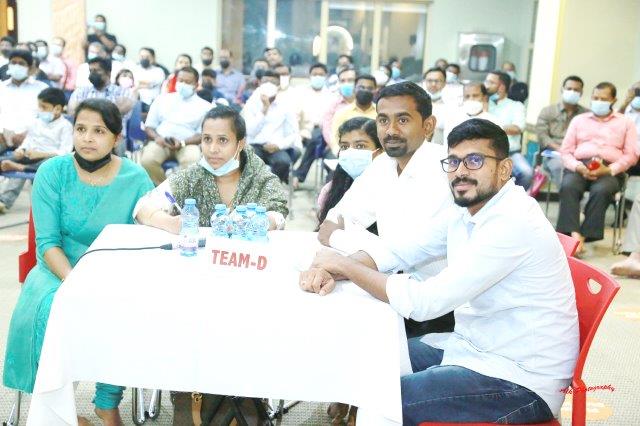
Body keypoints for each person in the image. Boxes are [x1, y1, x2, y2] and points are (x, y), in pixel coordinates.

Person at [303, 118, 579, 425]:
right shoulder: (465, 210)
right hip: (472, 348)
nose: (461, 171)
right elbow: (399, 250)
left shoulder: (512, 222)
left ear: (504, 169)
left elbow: (426, 302)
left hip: (521, 378)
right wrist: (335, 269)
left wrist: (345, 265)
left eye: (475, 161)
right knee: (375, 356)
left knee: (383, 399)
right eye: (454, 162)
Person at [3, 98, 154, 426]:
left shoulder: (136, 178)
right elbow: (47, 243)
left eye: (99, 131)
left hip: (114, 271)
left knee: (126, 306)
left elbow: (147, 236)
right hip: (57, 269)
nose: (87, 138)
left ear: (116, 138)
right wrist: (75, 282)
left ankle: (107, 403)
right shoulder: (52, 172)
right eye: (81, 129)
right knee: (53, 308)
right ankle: (62, 412)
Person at [317, 81, 455, 338]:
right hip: (388, 289)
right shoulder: (383, 166)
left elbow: (407, 250)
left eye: (402, 120)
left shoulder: (447, 171)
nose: (391, 130)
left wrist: (340, 238)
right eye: (383, 120)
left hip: (436, 310)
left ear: (428, 125)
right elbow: (332, 221)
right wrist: (351, 242)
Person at [134, 105, 287, 231]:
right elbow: (142, 208)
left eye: (222, 140)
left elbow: (278, 214)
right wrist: (170, 223)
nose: (213, 149)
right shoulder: (191, 177)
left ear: (240, 144)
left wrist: (265, 221)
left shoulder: (261, 178)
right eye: (207, 139)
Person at [557, 82, 638, 254]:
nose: (598, 102)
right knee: (569, 186)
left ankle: (583, 238)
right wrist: (578, 166)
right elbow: (566, 151)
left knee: (602, 190)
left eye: (603, 99)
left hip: (610, 169)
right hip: (580, 165)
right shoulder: (579, 120)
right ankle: (574, 234)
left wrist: (609, 169)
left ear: (613, 100)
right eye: (595, 98)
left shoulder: (625, 123)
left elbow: (631, 155)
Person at [0, 87, 72, 212]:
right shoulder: (36, 122)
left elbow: (65, 153)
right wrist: (21, 150)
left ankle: (18, 171)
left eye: (44, 107)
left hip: (47, 159)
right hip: (29, 156)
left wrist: (40, 154)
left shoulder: (65, 126)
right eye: (39, 106)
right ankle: (17, 167)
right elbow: (28, 141)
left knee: (49, 164)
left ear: (57, 109)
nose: (40, 110)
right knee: (5, 159)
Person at [140, 66, 211, 184]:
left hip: (188, 144)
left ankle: (180, 191)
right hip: (161, 142)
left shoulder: (205, 107)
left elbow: (202, 134)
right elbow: (149, 127)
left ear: (196, 85)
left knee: (193, 162)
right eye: (180, 80)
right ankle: (164, 189)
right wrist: (157, 138)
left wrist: (182, 143)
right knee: (147, 160)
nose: (183, 84)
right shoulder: (162, 99)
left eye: (187, 82)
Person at [318, 117, 382, 226]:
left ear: (379, 151)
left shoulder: (391, 190)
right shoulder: (330, 191)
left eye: (360, 146)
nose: (351, 151)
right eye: (344, 146)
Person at [68, 57, 136, 156]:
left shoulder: (123, 92)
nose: (93, 73)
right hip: (85, 136)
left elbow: (116, 112)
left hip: (113, 137)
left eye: (97, 70)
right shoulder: (81, 91)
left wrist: (87, 112)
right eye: (91, 70)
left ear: (108, 73)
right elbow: (72, 111)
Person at [243, 70, 301, 183]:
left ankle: (272, 188)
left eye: (272, 82)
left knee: (284, 162)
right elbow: (250, 131)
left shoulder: (285, 105)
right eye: (265, 82)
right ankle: (256, 189)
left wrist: (278, 145)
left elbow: (293, 133)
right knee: (250, 161)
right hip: (255, 145)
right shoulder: (251, 104)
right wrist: (264, 110)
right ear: (260, 84)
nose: (268, 85)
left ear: (278, 86)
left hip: (276, 147)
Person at [535, 75, 588, 188]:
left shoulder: (586, 114)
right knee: (560, 167)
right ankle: (567, 195)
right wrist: (560, 149)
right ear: (562, 89)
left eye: (576, 90)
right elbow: (542, 136)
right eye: (569, 89)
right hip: (553, 155)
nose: (572, 92)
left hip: (577, 154)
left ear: (581, 93)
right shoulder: (548, 111)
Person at [484, 70, 532, 189]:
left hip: (510, 153)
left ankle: (514, 197)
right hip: (484, 152)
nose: (486, 85)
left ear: (501, 87)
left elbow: (517, 128)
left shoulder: (516, 106)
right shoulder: (483, 104)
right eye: (486, 81)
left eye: (490, 82)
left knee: (527, 173)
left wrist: (489, 128)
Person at [292, 63, 335, 187]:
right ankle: (331, 180)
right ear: (310, 76)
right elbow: (295, 117)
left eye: (321, 74)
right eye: (315, 74)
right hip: (304, 133)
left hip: (327, 134)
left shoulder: (332, 96)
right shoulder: (301, 94)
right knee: (316, 139)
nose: (318, 77)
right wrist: (297, 133)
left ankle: (299, 175)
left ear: (326, 76)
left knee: (317, 138)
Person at [0, 50, 49, 152]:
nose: (16, 66)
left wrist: (28, 134)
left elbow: (46, 117)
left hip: (33, 140)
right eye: (13, 63)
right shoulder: (2, 88)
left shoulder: (42, 88)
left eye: (21, 63)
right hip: (2, 139)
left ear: (30, 67)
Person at [329, 74, 377, 154]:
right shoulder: (342, 113)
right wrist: (341, 154)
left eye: (369, 88)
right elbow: (335, 139)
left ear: (375, 91)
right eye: (361, 87)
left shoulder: (381, 113)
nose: (365, 90)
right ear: (354, 89)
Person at [322, 67, 356, 152]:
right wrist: (335, 147)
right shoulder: (332, 104)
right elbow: (327, 129)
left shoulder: (364, 103)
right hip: (337, 147)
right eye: (342, 81)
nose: (346, 84)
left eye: (350, 80)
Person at [133, 47, 166, 111]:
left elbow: (152, 83)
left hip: (152, 103)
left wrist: (140, 85)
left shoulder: (159, 71)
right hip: (136, 102)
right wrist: (147, 84)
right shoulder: (134, 68)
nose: (145, 59)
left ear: (153, 58)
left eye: (147, 57)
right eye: (142, 56)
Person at [421, 67, 447, 144]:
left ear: (444, 83)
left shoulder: (452, 105)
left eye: (437, 81)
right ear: (424, 82)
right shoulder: (414, 103)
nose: (433, 84)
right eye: (429, 81)